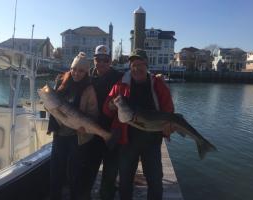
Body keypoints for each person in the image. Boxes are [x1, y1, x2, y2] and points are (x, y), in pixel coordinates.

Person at [103, 49, 176, 200]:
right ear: (130, 67)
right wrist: (111, 106)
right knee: (125, 181)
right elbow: (106, 109)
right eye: (134, 64)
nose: (137, 68)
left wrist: (169, 128)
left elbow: (169, 110)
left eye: (141, 64)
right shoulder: (120, 85)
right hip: (127, 142)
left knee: (155, 182)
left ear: (147, 65)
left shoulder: (158, 85)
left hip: (152, 143)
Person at [47, 52, 98, 200]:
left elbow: (94, 114)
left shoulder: (89, 89)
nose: (76, 73)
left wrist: (85, 128)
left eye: (81, 70)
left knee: (73, 174)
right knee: (55, 172)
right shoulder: (61, 81)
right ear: (70, 68)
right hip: (59, 134)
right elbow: (52, 104)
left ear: (86, 72)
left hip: (77, 137)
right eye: (74, 68)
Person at [79, 44, 123, 200]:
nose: (102, 63)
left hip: (113, 131)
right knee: (89, 169)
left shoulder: (120, 76)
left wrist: (156, 78)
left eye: (105, 59)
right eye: (99, 59)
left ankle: (107, 195)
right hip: (93, 131)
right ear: (94, 60)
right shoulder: (88, 77)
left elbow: (139, 76)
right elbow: (73, 78)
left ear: (110, 61)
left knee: (110, 174)